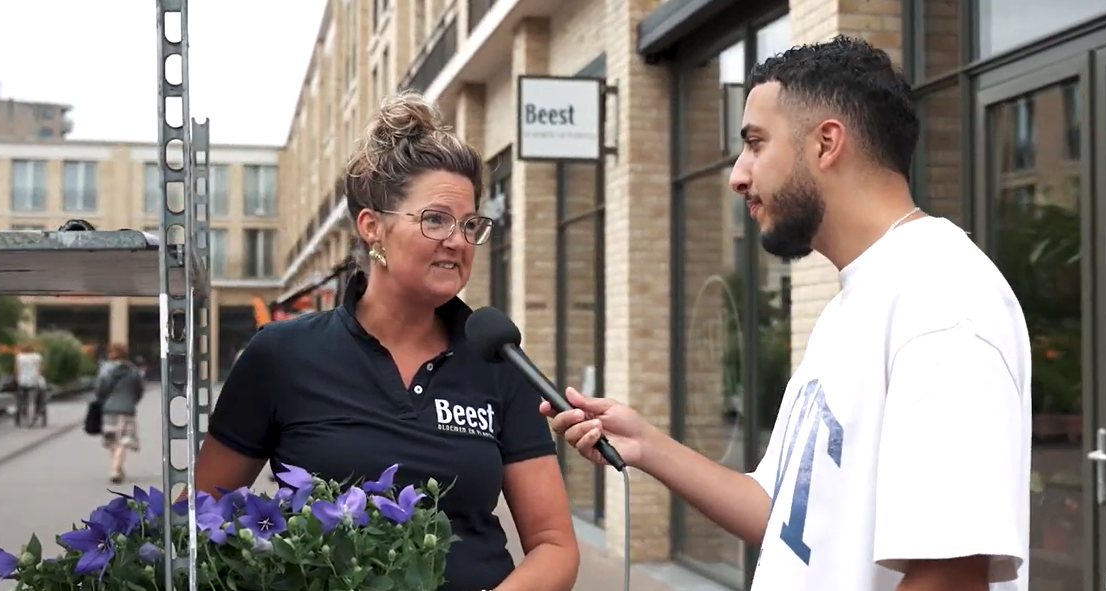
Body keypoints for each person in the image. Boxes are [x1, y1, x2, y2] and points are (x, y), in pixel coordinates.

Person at [545, 36, 1031, 591]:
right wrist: (647, 445)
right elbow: (783, 512)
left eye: (755, 143)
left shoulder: (943, 300)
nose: (737, 175)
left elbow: (949, 573)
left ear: (826, 143)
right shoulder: (854, 302)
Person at [194, 91, 580, 591]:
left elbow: (555, 544)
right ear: (372, 227)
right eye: (435, 219)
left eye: (470, 225)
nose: (458, 241)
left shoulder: (499, 360)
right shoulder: (280, 355)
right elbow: (199, 515)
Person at [97, 343, 146, 484]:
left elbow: (101, 389)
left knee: (112, 440)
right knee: (123, 441)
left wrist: (104, 401)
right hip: (127, 410)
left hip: (109, 410)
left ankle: (117, 468)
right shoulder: (133, 371)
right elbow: (139, 390)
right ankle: (115, 469)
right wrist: (132, 401)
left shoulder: (105, 370)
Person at [12, 343, 45, 425]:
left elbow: (16, 370)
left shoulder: (19, 357)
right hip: (34, 381)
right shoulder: (37, 357)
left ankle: (21, 410)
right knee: (37, 396)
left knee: (20, 397)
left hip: (22, 381)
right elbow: (40, 371)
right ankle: (38, 410)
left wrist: (17, 377)